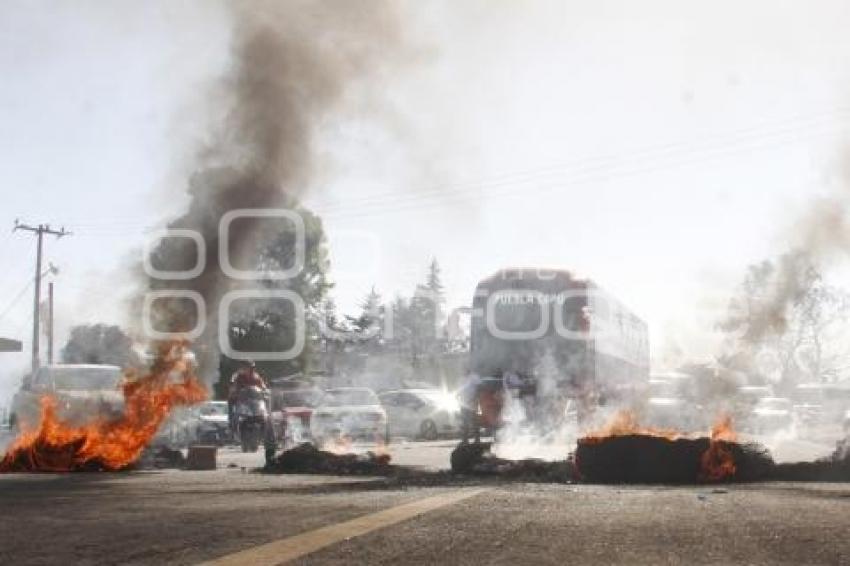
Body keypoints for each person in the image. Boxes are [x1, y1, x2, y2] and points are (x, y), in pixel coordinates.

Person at [227, 360, 267, 433]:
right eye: (247, 367)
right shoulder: (237, 376)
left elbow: (263, 385)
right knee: (233, 409)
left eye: (251, 368)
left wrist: (265, 390)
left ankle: (267, 434)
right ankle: (231, 427)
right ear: (243, 368)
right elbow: (233, 384)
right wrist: (233, 391)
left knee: (266, 416)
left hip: (254, 402)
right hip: (241, 400)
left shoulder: (256, 377)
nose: (249, 370)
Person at [458, 371, 481, 444]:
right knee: (464, 422)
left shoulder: (474, 377)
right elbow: (459, 390)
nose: (464, 368)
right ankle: (465, 439)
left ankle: (477, 439)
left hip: (472, 403)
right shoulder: (461, 379)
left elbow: (479, 388)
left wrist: (475, 398)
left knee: (474, 421)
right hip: (463, 403)